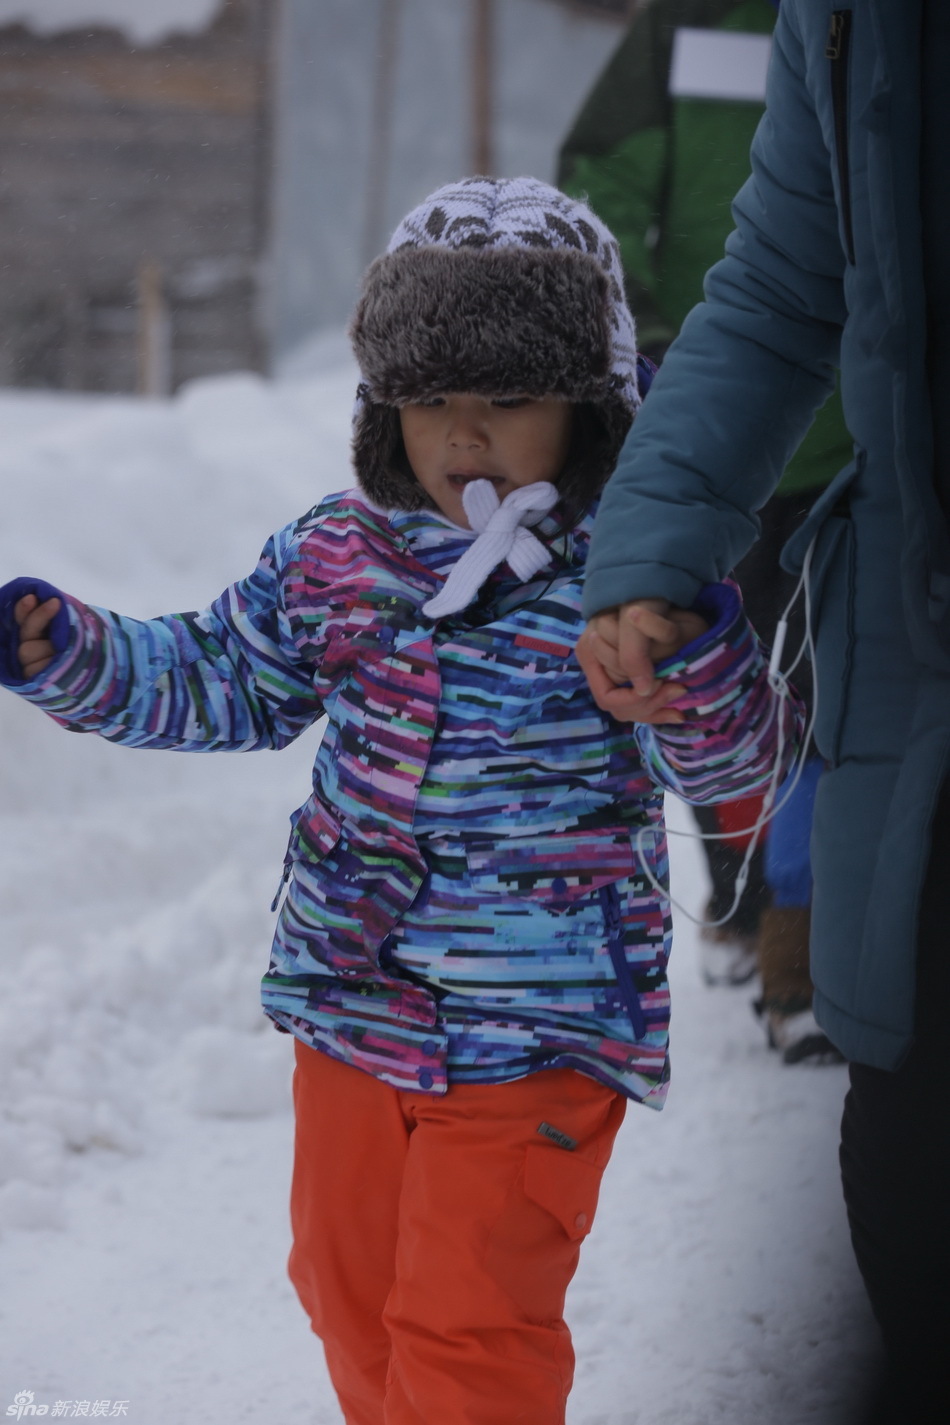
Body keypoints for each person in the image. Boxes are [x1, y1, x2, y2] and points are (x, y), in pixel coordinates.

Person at [0, 176, 802, 1425]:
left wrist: (685, 659)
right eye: (431, 399)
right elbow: (224, 677)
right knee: (345, 1289)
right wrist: (73, 658)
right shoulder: (342, 551)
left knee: (467, 1328)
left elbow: (736, 773)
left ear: (589, 411)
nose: (463, 434)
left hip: (539, 1027)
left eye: (506, 399)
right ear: (386, 408)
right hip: (351, 1002)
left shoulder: (629, 577)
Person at [575, 3, 950, 1420]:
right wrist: (648, 503)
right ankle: (747, 907)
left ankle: (774, 946)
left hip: (830, 448)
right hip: (858, 515)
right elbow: (774, 270)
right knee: (910, 1166)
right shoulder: (799, 22)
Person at [559, 0, 848, 1060]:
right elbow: (604, 175)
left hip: (838, 438)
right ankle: (730, 899)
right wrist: (628, 320)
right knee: (685, 665)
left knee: (815, 698)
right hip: (698, 413)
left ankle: (794, 958)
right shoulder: (680, 27)